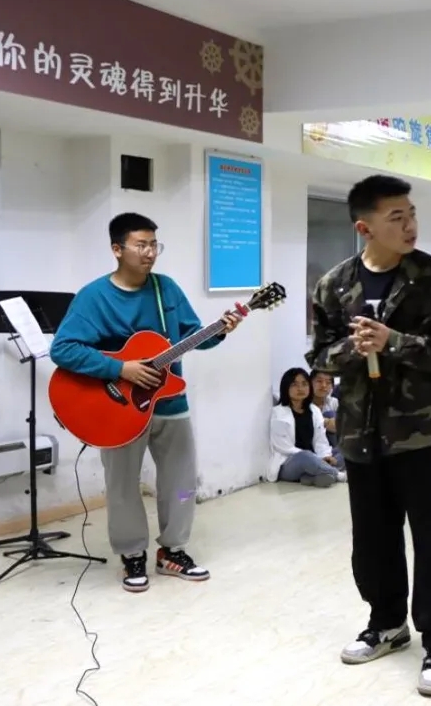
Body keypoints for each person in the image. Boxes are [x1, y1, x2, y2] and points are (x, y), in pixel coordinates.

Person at [306, 175, 431, 697]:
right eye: (396, 218)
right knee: (372, 537)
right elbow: (319, 356)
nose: (410, 225)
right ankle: (386, 623)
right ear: (365, 228)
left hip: (425, 435)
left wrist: (395, 342)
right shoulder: (334, 285)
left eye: (411, 214)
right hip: (362, 434)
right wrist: (353, 350)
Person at [49, 212, 242, 593]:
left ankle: (173, 550)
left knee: (182, 483)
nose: (150, 252)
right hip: (116, 408)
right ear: (117, 249)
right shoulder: (94, 296)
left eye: (154, 244)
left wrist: (220, 330)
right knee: (122, 485)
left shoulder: (166, 289)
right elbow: (64, 348)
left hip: (170, 403)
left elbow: (193, 335)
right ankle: (132, 553)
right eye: (141, 245)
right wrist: (121, 368)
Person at [268, 367, 345, 487]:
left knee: (346, 449)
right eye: (294, 384)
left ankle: (310, 477)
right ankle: (338, 474)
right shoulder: (278, 412)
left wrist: (325, 456)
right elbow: (283, 447)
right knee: (305, 456)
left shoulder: (314, 410)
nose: (300, 388)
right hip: (290, 463)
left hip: (315, 458)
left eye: (304, 384)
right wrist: (316, 458)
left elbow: (320, 440)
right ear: (286, 387)